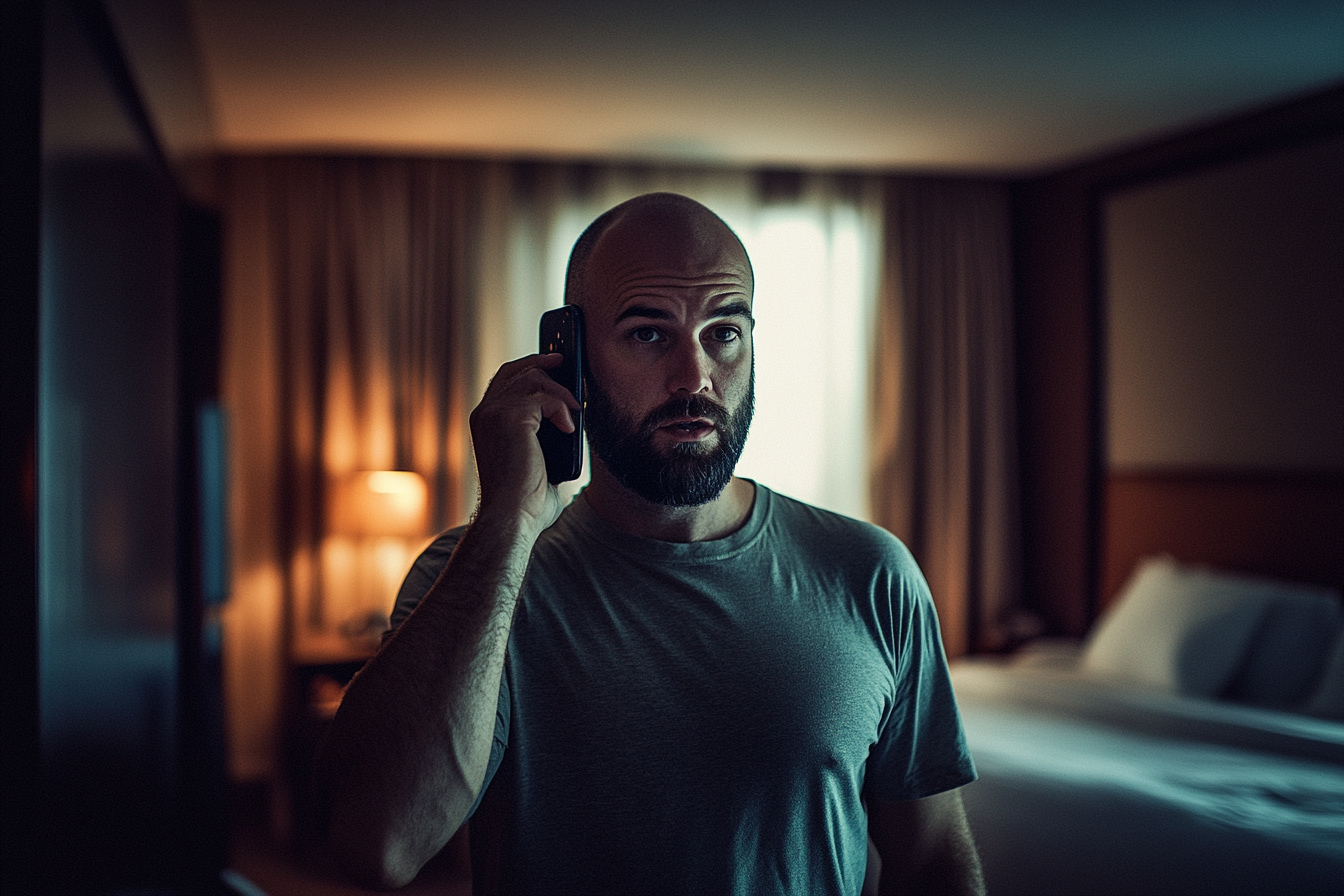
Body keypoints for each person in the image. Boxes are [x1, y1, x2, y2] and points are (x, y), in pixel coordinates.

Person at [315, 192, 984, 895]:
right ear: (566, 357)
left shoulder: (870, 574)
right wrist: (508, 523)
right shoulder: (470, 578)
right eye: (646, 333)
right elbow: (375, 845)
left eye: (724, 332)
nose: (694, 378)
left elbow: (934, 859)